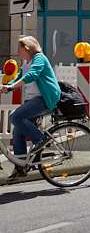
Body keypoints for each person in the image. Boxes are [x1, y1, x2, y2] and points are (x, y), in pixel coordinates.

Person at [0, 36, 61, 179]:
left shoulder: (39, 58)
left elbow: (32, 75)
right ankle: (21, 167)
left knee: (14, 116)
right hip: (32, 101)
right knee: (17, 132)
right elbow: (19, 78)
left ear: (26, 48)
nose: (17, 51)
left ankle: (40, 139)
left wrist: (12, 86)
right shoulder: (26, 63)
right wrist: (7, 88)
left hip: (44, 99)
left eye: (19, 48)